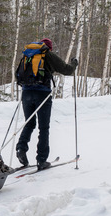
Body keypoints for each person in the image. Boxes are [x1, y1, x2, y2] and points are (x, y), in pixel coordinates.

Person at [15, 38, 78, 170]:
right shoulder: (47, 54)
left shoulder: (28, 54)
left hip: (26, 92)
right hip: (42, 93)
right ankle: (41, 160)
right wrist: (74, 63)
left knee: (29, 123)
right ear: (49, 48)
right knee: (44, 128)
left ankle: (21, 149)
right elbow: (66, 70)